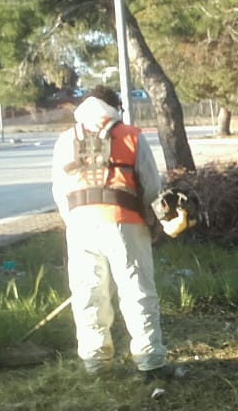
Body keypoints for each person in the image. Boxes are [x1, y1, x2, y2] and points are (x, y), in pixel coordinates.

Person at [51, 86, 169, 378]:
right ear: (116, 107)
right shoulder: (130, 136)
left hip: (79, 225)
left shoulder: (65, 140)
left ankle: (96, 364)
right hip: (123, 220)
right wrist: (147, 219)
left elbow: (59, 190)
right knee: (136, 291)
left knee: (88, 293)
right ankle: (150, 362)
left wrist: (73, 221)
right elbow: (151, 185)